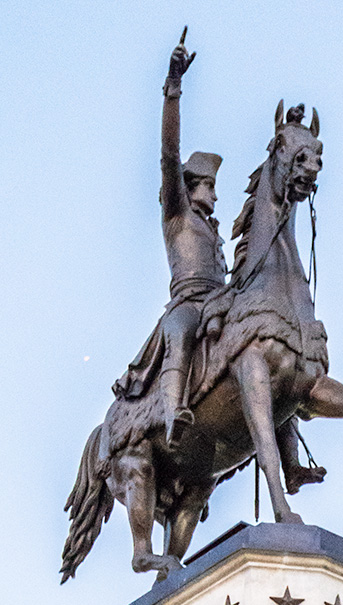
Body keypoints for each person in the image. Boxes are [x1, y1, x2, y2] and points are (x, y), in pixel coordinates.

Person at [115, 33, 227, 443]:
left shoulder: (212, 231)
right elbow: (168, 151)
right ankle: (172, 412)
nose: (215, 195)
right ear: (191, 187)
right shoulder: (178, 213)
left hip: (220, 301)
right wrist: (173, 89)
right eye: (210, 187)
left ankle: (289, 458)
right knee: (178, 332)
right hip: (187, 302)